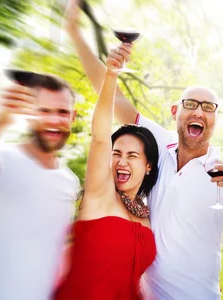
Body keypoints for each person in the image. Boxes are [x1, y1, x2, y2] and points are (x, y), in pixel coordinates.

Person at [65, 1, 223, 298]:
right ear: (175, 112)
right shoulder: (157, 143)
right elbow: (111, 96)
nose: (199, 111)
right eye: (190, 104)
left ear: (215, 119)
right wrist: (75, 34)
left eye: (209, 107)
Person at [53, 43, 158, 299]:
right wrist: (111, 75)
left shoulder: (147, 213)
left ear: (148, 166)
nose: (122, 162)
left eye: (132, 156)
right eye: (117, 154)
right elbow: (100, 137)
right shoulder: (100, 194)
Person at [0, 74, 79, 300]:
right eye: (44, 111)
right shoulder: (3, 160)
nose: (54, 120)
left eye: (62, 112)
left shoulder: (69, 180)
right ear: (29, 115)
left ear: (72, 116)